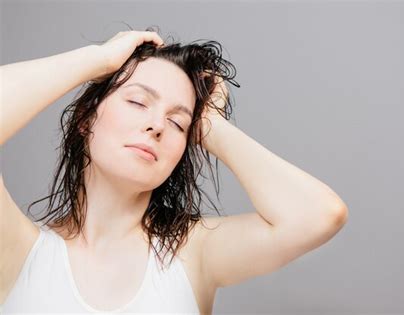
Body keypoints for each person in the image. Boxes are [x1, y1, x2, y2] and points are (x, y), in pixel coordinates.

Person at [0, 26, 349, 314]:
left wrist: (212, 126)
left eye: (178, 123)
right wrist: (98, 59)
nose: (157, 126)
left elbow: (319, 215)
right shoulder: (19, 251)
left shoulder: (193, 253)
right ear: (85, 119)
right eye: (138, 102)